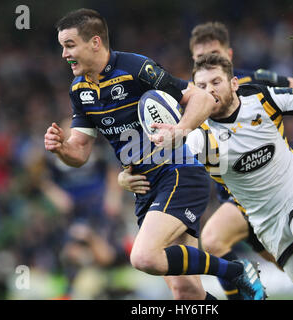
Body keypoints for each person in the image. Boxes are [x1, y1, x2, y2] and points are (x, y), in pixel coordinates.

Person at [44, 9, 265, 300]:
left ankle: (235, 271)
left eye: (69, 45)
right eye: (62, 46)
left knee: (144, 257)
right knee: (185, 291)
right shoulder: (79, 90)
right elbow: (80, 151)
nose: (64, 54)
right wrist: (62, 149)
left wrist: (181, 129)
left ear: (95, 42)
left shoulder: (135, 68)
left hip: (178, 173)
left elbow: (200, 98)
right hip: (145, 190)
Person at [118, 21, 293, 299]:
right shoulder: (190, 98)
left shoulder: (250, 81)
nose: (209, 64)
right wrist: (124, 175)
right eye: (200, 59)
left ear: (229, 57)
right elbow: (164, 144)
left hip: (265, 191)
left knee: (222, 242)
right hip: (233, 196)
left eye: (215, 56)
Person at [156, 52, 293, 299]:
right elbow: (165, 171)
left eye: (215, 82)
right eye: (201, 86)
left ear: (234, 83)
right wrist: (130, 176)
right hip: (267, 226)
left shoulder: (262, 99)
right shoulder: (198, 136)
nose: (209, 90)